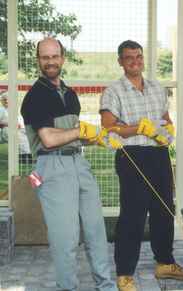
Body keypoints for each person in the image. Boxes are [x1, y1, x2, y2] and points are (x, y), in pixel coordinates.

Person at [20, 37, 117, 291]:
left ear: (63, 58)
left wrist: (100, 138)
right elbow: (49, 140)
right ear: (38, 61)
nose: (50, 61)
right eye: (45, 57)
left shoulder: (70, 94)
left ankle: (106, 286)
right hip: (52, 168)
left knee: (96, 230)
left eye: (55, 56)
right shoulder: (34, 97)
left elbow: (74, 137)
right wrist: (80, 131)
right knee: (66, 238)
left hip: (78, 163)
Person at [100, 40, 183, 291]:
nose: (135, 62)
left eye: (138, 57)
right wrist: (138, 128)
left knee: (164, 209)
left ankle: (164, 262)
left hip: (159, 154)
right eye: (129, 58)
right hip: (131, 155)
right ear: (120, 61)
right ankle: (125, 273)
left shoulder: (156, 88)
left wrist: (168, 130)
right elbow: (109, 126)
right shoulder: (113, 91)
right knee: (133, 215)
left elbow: (164, 118)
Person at [0, 91, 32, 163]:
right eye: (4, 99)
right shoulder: (1, 110)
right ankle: (23, 157)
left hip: (21, 130)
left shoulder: (16, 110)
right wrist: (9, 124)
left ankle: (28, 156)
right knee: (18, 137)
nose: (6, 101)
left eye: (8, 99)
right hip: (7, 131)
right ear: (1, 101)